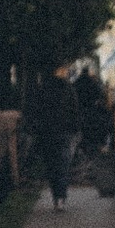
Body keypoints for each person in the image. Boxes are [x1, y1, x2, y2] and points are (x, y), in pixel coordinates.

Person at [22, 69, 73, 208]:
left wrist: (36, 128)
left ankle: (56, 196)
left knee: (51, 166)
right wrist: (75, 128)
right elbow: (74, 110)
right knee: (63, 164)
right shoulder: (67, 89)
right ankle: (61, 196)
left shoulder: (42, 90)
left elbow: (35, 112)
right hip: (63, 131)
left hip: (47, 133)